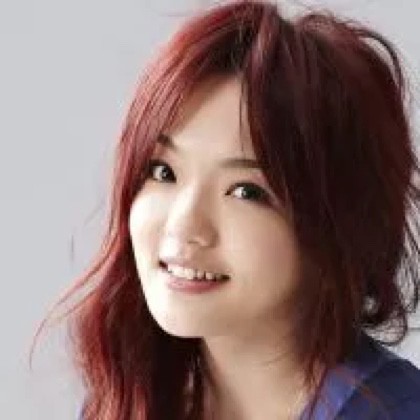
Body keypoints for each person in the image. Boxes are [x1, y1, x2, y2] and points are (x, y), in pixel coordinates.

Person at [36, 0, 420, 418]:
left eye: (245, 192)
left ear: (340, 222)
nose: (183, 226)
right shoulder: (130, 402)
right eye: (163, 172)